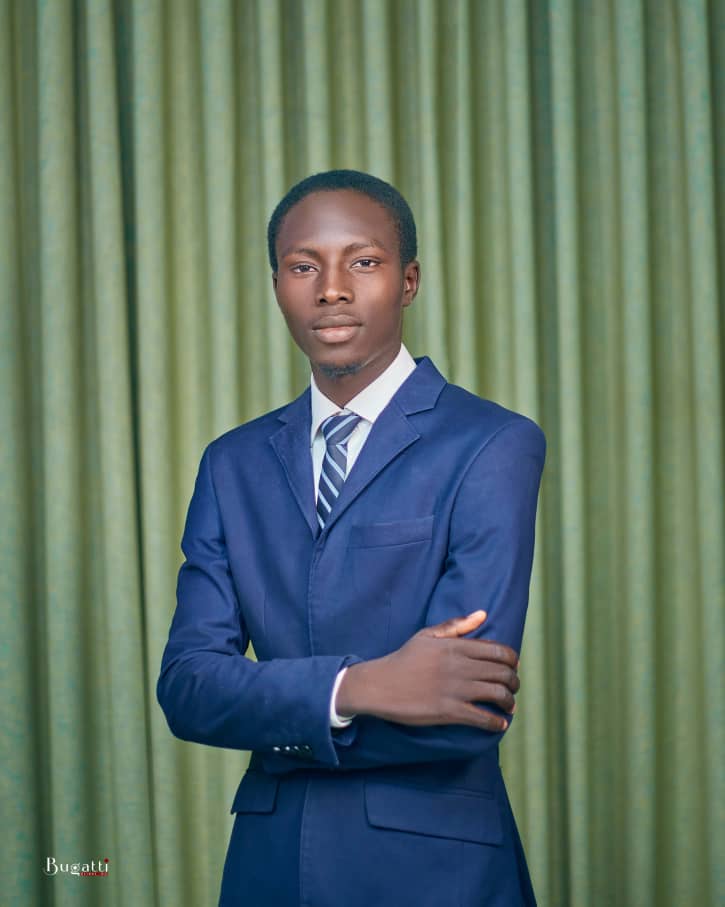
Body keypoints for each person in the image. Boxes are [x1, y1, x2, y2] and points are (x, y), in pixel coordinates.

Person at [157, 170, 546, 906]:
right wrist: (359, 686)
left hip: (434, 873)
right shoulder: (231, 463)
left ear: (408, 281)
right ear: (277, 286)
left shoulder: (491, 443)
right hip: (268, 867)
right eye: (303, 266)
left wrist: (272, 713)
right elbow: (188, 689)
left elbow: (464, 713)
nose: (331, 289)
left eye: (362, 262)